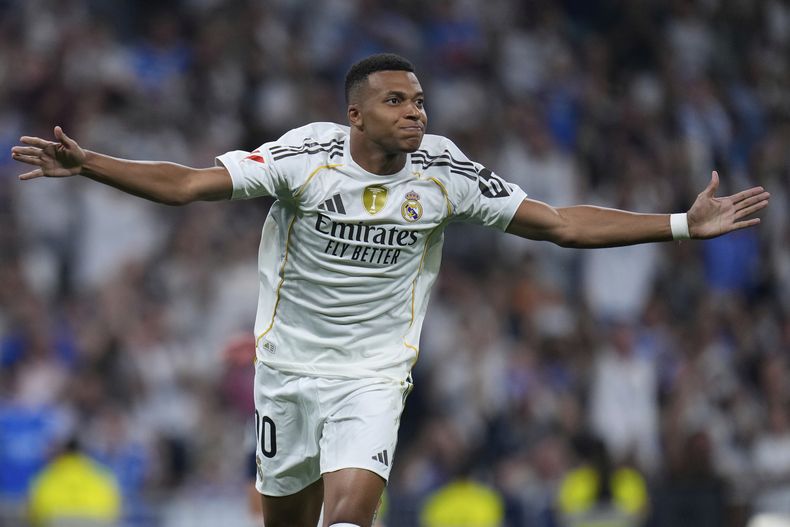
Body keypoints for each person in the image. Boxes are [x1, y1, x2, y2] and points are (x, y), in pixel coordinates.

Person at [11, 53, 770, 527]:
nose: (417, 112)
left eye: (419, 101)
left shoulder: (445, 170)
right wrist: (91, 163)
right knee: (286, 517)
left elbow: (561, 223)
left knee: (348, 511)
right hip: (287, 370)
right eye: (398, 102)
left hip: (373, 374)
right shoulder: (302, 156)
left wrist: (677, 223)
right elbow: (186, 184)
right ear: (356, 114)